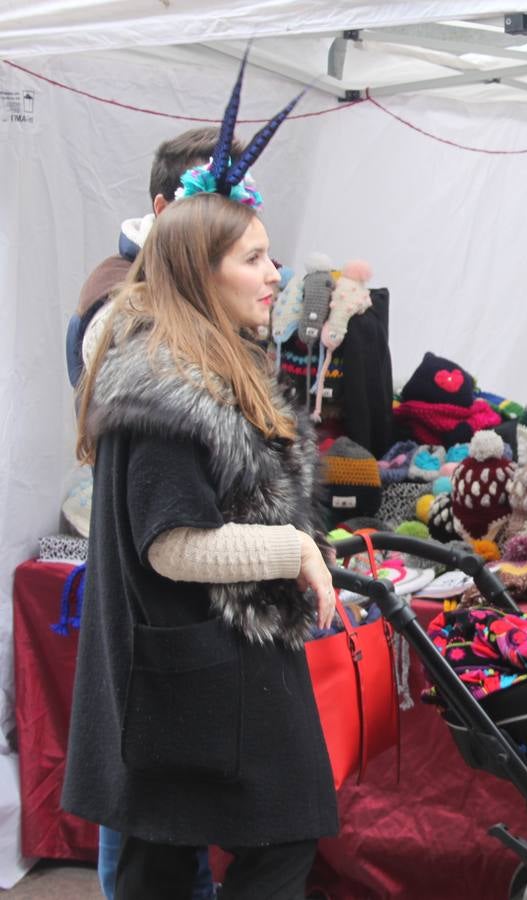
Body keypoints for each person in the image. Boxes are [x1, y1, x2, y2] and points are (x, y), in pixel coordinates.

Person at [62, 60, 335, 899]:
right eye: (254, 257)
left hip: (209, 669)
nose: (274, 272)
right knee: (248, 846)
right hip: (191, 676)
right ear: (200, 269)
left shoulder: (199, 365)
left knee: (168, 862)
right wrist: (292, 548)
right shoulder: (163, 382)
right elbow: (174, 544)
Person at [67, 125, 243, 900]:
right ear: (168, 207)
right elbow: (170, 530)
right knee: (144, 824)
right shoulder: (124, 302)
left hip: (168, 603)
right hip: (147, 591)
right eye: (216, 204)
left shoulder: (165, 299)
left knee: (162, 828)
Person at [66, 127, 241, 390]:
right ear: (164, 209)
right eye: (213, 206)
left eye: (239, 205)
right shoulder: (118, 291)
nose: (233, 223)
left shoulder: (213, 279)